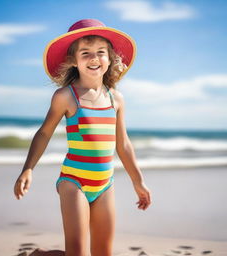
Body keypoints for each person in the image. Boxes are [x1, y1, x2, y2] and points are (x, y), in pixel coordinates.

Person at [14, 18, 151, 256]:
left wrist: (137, 181)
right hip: (73, 182)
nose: (93, 58)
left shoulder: (115, 99)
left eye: (100, 52)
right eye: (85, 53)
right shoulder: (65, 96)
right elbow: (44, 132)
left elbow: (124, 144)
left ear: (111, 58)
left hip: (105, 184)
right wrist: (28, 169)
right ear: (73, 60)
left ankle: (42, 254)